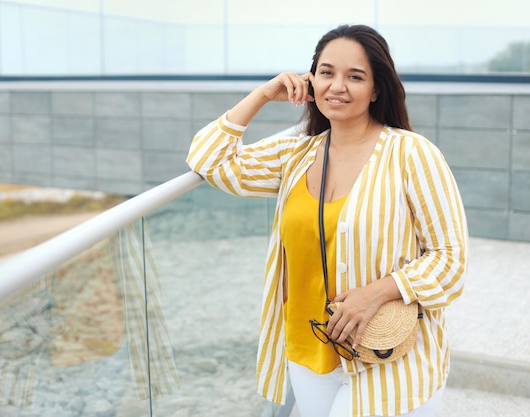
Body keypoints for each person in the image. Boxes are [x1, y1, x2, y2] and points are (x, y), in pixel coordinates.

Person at [187, 24, 468, 417]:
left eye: (355, 76)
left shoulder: (412, 154)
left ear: (376, 89)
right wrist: (264, 94)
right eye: (326, 73)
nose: (337, 86)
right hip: (308, 351)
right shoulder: (295, 154)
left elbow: (450, 258)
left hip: (387, 355)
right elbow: (210, 160)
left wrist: (379, 292)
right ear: (311, 80)